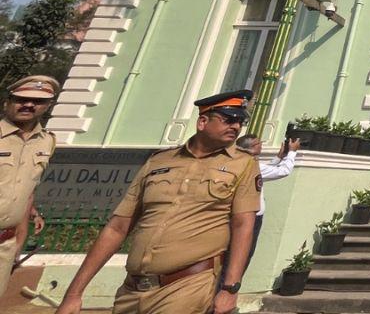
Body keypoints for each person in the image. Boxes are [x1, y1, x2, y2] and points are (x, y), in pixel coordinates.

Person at [55, 89, 259, 314]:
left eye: (240, 122)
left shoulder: (243, 164)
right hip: (132, 289)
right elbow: (117, 227)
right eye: (229, 120)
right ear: (202, 121)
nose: (236, 127)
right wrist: (74, 293)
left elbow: (243, 225)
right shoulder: (159, 161)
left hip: (188, 285)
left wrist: (230, 289)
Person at [1, 75, 59, 298]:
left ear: (47, 106)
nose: (28, 105)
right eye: (21, 99)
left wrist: (18, 242)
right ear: (8, 101)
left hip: (5, 243)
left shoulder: (46, 142)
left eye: (37, 101)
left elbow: (26, 193)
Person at [231, 135, 299, 268]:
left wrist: (279, 157)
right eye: (259, 144)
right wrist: (292, 152)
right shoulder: (251, 165)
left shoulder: (242, 163)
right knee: (243, 253)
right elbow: (283, 171)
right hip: (251, 216)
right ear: (253, 147)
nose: (261, 146)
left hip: (240, 214)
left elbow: (264, 171)